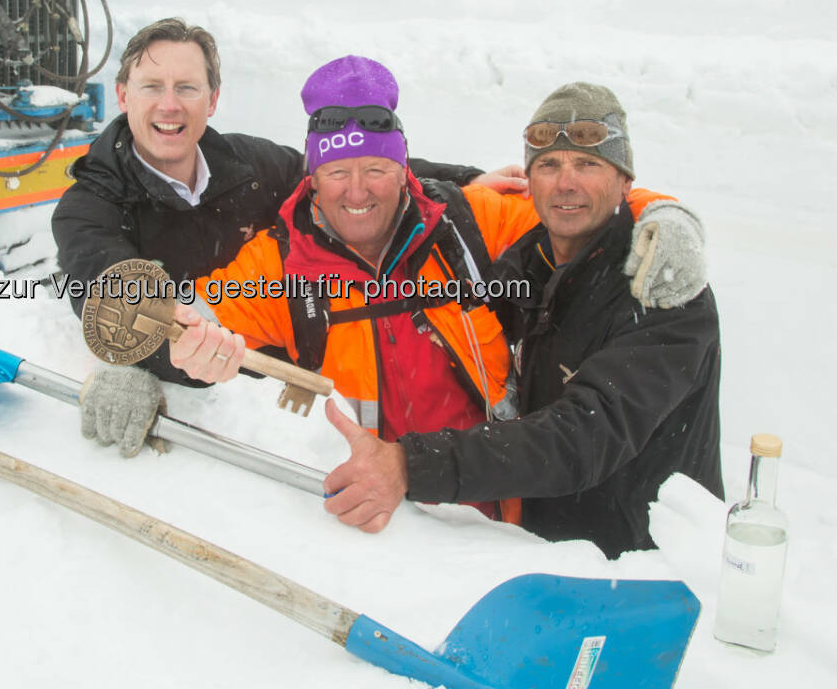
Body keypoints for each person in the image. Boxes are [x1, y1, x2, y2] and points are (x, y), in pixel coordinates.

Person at [162, 59, 707, 540]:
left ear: (404, 170)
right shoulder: (276, 266)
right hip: (384, 529)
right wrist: (156, 363)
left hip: (504, 520)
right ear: (312, 176)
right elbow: (186, 324)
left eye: (376, 169)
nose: (357, 192)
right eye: (336, 173)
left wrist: (663, 213)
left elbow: (575, 207)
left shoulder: (467, 222)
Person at [52, 19, 524, 454]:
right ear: (122, 95)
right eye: (152, 86)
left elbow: (346, 169)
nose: (170, 104)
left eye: (187, 88)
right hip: (218, 379)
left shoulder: (247, 165)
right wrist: (144, 361)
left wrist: (464, 181)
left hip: (283, 374)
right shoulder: (89, 208)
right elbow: (109, 291)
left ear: (212, 99)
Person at [323, 81, 722, 557]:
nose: (565, 183)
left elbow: (582, 438)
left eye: (588, 165)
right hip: (542, 550)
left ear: (625, 182)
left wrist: (410, 465)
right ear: (529, 180)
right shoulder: (527, 265)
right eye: (549, 165)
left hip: (649, 564)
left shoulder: (664, 288)